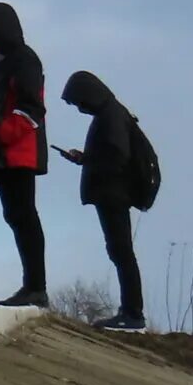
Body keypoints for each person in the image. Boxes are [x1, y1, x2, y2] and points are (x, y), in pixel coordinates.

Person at [0, 3, 50, 308]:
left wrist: (3, 135)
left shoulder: (24, 61)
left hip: (20, 153)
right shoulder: (0, 65)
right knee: (16, 217)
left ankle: (35, 286)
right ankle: (31, 285)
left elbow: (32, 108)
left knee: (25, 216)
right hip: (4, 155)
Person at [60, 71, 148, 330]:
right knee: (120, 252)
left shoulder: (111, 116)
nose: (80, 108)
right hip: (112, 194)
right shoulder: (112, 113)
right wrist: (85, 159)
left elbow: (116, 157)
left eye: (79, 102)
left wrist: (89, 161)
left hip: (113, 195)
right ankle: (130, 310)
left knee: (122, 252)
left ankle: (132, 312)